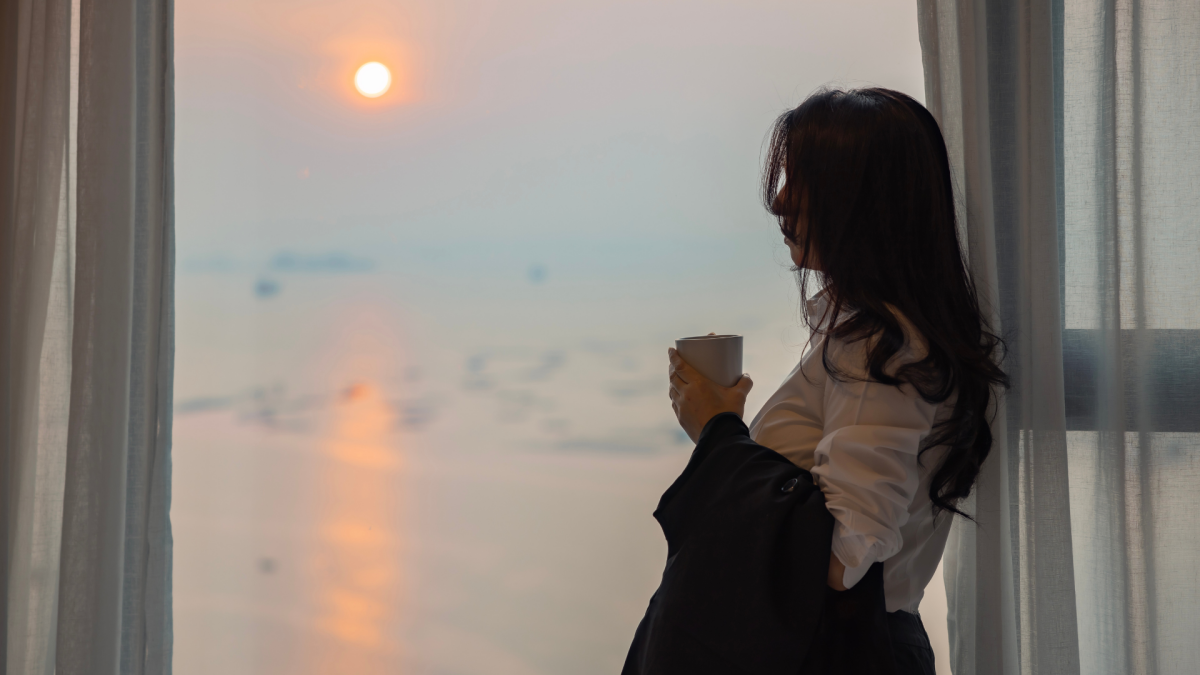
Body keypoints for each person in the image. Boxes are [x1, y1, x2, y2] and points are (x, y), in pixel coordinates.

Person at [666, 87, 1008, 675]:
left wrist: (720, 433)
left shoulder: (880, 348)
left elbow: (842, 554)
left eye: (802, 177)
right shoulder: (895, 337)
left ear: (863, 198)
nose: (779, 201)